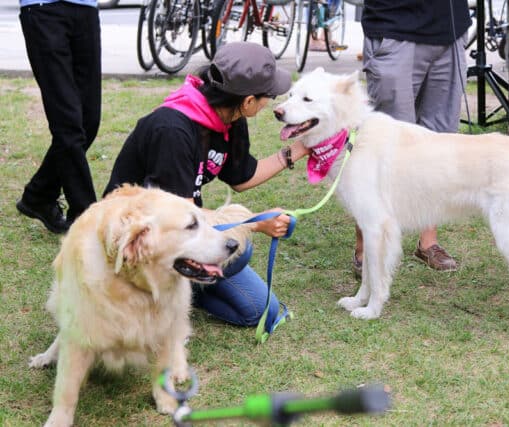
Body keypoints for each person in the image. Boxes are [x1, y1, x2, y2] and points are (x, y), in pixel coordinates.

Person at [103, 42, 309, 330]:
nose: (269, 103)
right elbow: (180, 218)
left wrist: (302, 148)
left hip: (183, 235)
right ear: (248, 101)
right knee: (240, 251)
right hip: (139, 243)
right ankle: (150, 292)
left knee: (260, 311)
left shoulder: (228, 116)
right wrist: (254, 223)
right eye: (269, 97)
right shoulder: (172, 130)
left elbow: (242, 178)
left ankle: (183, 288)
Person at [353, 0, 471, 275]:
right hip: (394, 28)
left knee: (438, 147)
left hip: (448, 30)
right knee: (382, 145)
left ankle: (428, 241)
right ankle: (365, 245)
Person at [16, 0, 101, 234]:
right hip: (44, 10)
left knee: (88, 122)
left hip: (85, 9)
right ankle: (86, 218)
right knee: (68, 126)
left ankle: (38, 195)